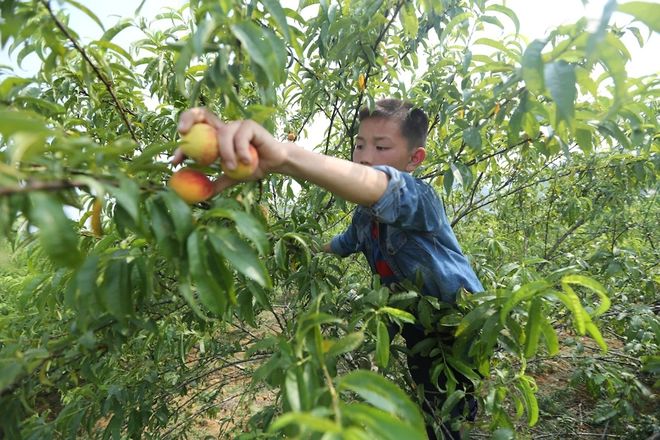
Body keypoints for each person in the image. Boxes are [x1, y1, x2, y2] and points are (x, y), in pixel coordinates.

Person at [173, 99, 483, 439]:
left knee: (450, 410)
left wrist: (286, 156)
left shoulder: (422, 199)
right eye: (359, 145)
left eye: (381, 147)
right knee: (428, 393)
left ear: (414, 158)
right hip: (416, 323)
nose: (365, 156)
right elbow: (344, 243)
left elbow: (382, 187)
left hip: (459, 321)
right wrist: (299, 246)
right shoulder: (364, 218)